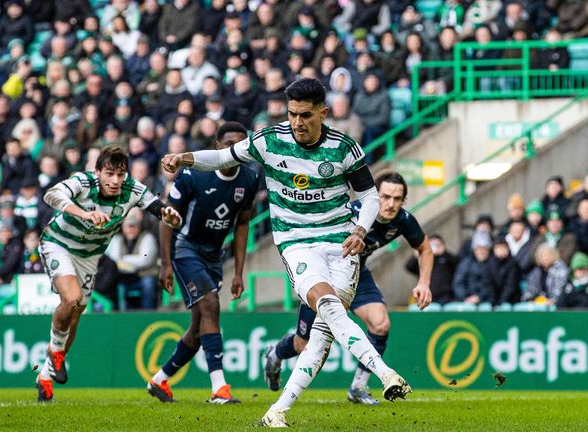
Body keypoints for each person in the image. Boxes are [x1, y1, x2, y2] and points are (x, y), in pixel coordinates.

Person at [160, 78, 411, 427]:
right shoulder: (269, 141)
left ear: (323, 113)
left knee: (321, 337)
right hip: (296, 241)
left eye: (306, 115)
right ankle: (386, 374)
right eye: (292, 114)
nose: (297, 123)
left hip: (341, 242)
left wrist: (359, 229)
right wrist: (182, 157)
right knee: (327, 305)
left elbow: (369, 196)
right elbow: (221, 156)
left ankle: (276, 413)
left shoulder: (343, 148)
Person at [263, 172, 433, 404]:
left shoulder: (402, 220)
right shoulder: (350, 213)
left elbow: (424, 248)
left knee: (381, 324)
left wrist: (423, 283)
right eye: (385, 197)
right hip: (325, 275)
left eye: (397, 198)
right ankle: (276, 354)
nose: (391, 204)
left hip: (357, 275)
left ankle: (358, 387)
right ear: (375, 195)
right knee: (303, 344)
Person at [35, 146, 182, 402]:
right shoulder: (83, 181)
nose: (115, 180)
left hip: (90, 257)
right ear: (98, 172)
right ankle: (56, 355)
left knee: (76, 313)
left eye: (120, 174)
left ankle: (46, 375)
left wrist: (168, 214)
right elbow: (52, 194)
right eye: (109, 173)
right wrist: (85, 213)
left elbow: (155, 206)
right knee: (71, 298)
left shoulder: (132, 189)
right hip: (59, 244)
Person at [147, 122, 258, 404]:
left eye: (241, 144)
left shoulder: (250, 177)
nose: (236, 150)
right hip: (186, 249)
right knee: (210, 305)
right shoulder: (192, 173)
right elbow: (167, 217)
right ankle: (219, 389)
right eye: (229, 144)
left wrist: (239, 272)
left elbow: (243, 224)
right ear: (217, 146)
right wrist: (165, 263)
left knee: (198, 327)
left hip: (215, 256)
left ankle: (160, 379)